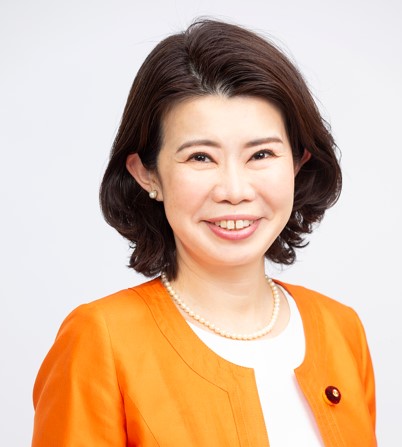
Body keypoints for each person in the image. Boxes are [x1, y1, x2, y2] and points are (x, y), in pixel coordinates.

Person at [32, 19, 377, 446]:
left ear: (298, 162)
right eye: (200, 157)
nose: (234, 190)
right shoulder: (100, 339)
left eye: (261, 154)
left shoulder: (341, 328)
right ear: (147, 174)